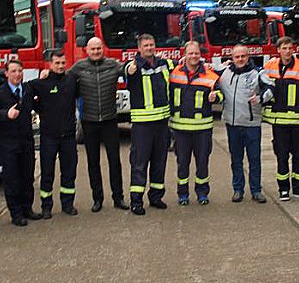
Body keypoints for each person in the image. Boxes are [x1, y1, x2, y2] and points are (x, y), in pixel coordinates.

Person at [69, 37, 128, 212]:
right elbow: (63, 79)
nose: (96, 52)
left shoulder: (112, 64)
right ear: (87, 50)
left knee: (114, 161)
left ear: (103, 49)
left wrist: (131, 66)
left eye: (98, 48)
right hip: (89, 121)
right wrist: (46, 74)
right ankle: (97, 199)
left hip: (110, 120)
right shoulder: (79, 67)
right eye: (92, 49)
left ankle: (118, 198)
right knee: (93, 163)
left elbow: (127, 69)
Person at [0, 59, 41, 226]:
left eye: (20, 71)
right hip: (8, 144)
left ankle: (27, 209)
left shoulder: (27, 90)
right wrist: (5, 114)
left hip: (26, 142)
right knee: (12, 180)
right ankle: (16, 214)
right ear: (7, 74)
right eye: (14, 71)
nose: (18, 74)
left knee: (27, 177)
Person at [262, 36, 299, 201]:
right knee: (282, 156)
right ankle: (283, 189)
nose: (287, 51)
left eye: (289, 48)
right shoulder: (269, 67)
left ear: (294, 50)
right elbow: (259, 81)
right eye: (284, 48)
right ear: (278, 50)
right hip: (279, 122)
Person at [124, 34, 174, 215]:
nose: (149, 48)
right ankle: (136, 201)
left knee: (160, 162)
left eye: (151, 44)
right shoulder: (134, 66)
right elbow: (128, 73)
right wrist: (130, 70)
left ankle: (156, 197)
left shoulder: (164, 64)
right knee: (139, 163)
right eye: (145, 45)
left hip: (162, 124)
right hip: (142, 126)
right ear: (139, 48)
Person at [216, 45, 271, 203]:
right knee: (236, 159)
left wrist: (260, 99)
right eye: (237, 56)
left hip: (251, 123)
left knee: (254, 159)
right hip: (232, 124)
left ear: (248, 57)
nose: (240, 59)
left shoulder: (258, 73)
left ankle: (256, 190)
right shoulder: (224, 72)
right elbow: (202, 66)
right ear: (232, 58)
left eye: (243, 56)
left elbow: (271, 88)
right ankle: (238, 189)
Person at [169, 41, 221, 206]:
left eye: (196, 53)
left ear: (200, 55)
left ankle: (202, 193)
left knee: (202, 164)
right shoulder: (173, 73)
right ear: (185, 55)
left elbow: (221, 95)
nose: (194, 56)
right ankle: (182, 194)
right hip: (180, 129)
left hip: (203, 129)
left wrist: (216, 98)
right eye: (190, 53)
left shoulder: (211, 76)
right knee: (182, 163)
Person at [30, 51, 80, 217]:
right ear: (50, 65)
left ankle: (67, 204)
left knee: (69, 172)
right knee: (47, 173)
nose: (60, 66)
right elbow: (27, 93)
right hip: (48, 136)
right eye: (57, 63)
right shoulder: (41, 83)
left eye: (63, 63)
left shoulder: (71, 80)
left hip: (68, 136)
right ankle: (46, 206)